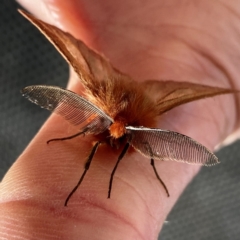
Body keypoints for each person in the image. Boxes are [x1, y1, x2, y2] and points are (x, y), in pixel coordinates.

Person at [1, 0, 240, 239]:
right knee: (95, 139)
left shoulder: (137, 129)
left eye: (123, 135)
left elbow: (140, 144)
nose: (116, 138)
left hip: (141, 103)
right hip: (110, 94)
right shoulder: (101, 122)